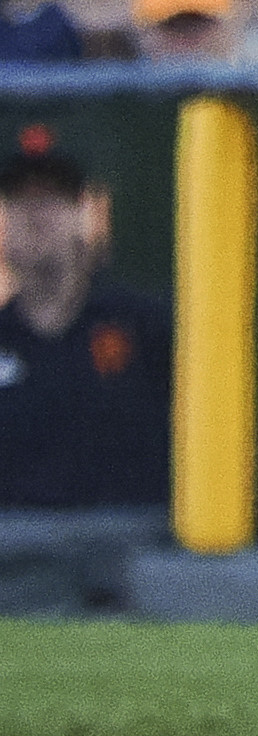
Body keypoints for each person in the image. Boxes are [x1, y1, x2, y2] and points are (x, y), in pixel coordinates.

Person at [0, 127, 166, 512]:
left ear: (84, 212)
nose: (35, 214)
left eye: (53, 197)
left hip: (126, 557)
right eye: (18, 199)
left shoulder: (144, 327)